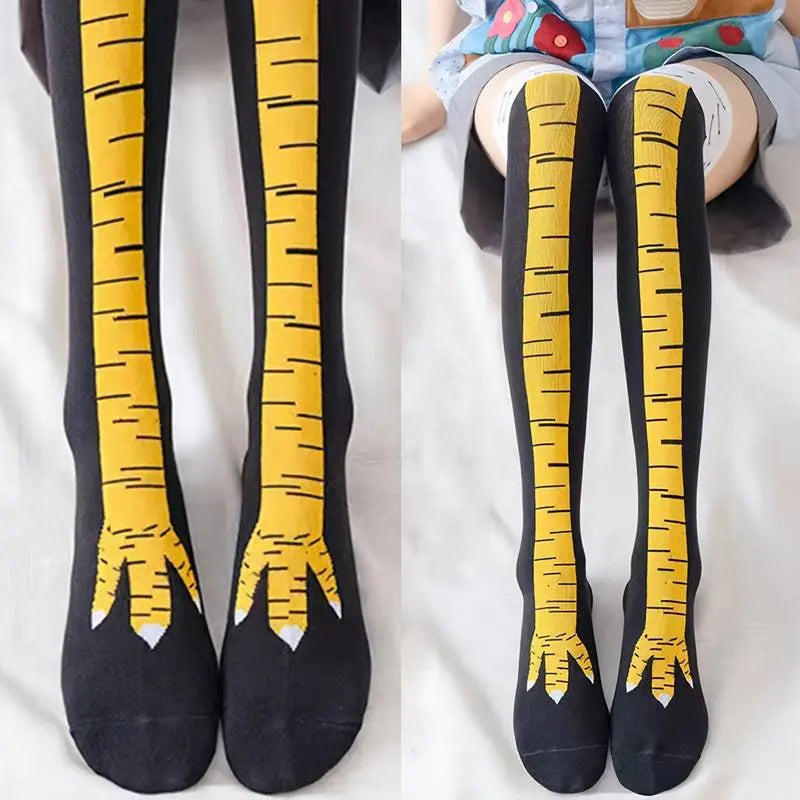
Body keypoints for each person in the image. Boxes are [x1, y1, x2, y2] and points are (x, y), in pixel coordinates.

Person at [404, 1, 800, 795]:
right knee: (552, 111)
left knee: (658, 116)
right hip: (528, 54)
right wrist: (431, 69)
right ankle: (551, 565)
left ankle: (667, 565)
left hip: (704, 59)